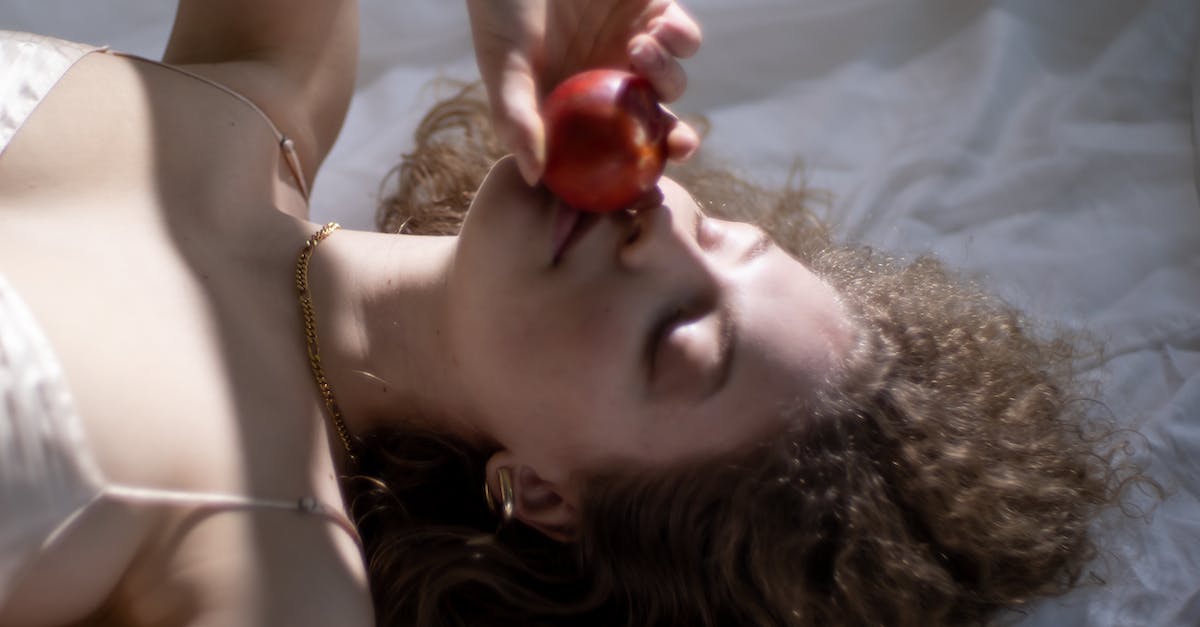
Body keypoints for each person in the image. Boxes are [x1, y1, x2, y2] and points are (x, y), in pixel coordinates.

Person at [0, 1, 1145, 626]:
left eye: (679, 340)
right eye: (722, 238)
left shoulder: (265, 570)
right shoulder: (272, 79)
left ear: (545, 497)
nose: (659, 230)